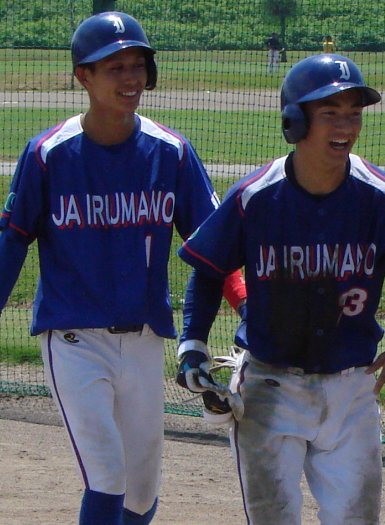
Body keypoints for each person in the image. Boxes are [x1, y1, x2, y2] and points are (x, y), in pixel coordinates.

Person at [175, 54, 385, 524]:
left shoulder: (381, 196)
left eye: (354, 113)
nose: (345, 125)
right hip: (269, 387)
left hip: (351, 390)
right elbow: (207, 270)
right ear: (295, 121)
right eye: (330, 113)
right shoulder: (255, 197)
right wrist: (192, 344)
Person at [0, 12, 246, 525]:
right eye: (115, 67)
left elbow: (214, 248)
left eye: (138, 65)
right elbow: (13, 241)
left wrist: (249, 307)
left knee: (140, 493)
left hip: (144, 339)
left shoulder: (170, 152)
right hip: (73, 339)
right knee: (107, 475)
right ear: (83, 76)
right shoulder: (48, 154)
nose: (131, 78)